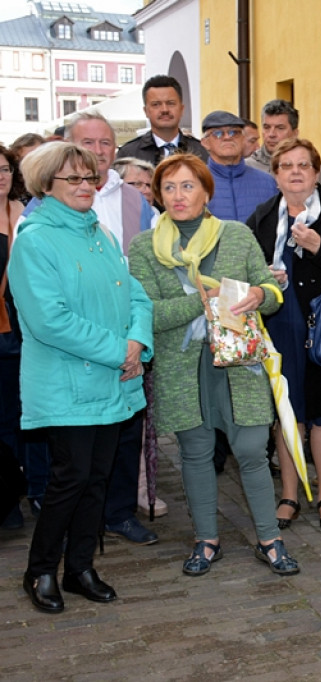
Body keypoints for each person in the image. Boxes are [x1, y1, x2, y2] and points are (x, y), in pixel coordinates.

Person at [128, 154, 300, 577]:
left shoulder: (236, 236)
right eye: (169, 187)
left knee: (250, 451)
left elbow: (270, 293)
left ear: (206, 192)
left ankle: (269, 540)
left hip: (240, 365)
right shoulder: (144, 247)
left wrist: (262, 296)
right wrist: (201, 302)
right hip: (183, 369)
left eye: (188, 186)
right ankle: (206, 540)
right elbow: (147, 314)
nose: (178, 196)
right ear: (157, 195)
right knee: (196, 454)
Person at [11, 142, 153, 613]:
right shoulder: (34, 239)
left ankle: (80, 568)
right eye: (73, 179)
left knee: (97, 478)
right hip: (68, 384)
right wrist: (120, 351)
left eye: (90, 177)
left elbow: (137, 297)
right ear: (44, 185)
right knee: (68, 480)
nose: (86, 186)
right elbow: (49, 320)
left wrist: (136, 343)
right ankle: (40, 571)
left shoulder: (102, 235)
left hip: (113, 380)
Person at [247, 139, 321, 531]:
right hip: (280, 322)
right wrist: (266, 275)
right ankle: (289, 495)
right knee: (287, 412)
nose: (295, 171)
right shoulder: (262, 217)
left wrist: (319, 247)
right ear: (275, 175)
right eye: (286, 165)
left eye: (304, 165)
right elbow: (247, 273)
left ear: (316, 173)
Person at [62, 112, 159, 545]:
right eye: (89, 142)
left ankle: (119, 512)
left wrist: (137, 341)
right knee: (78, 448)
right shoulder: (44, 210)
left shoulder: (136, 201)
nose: (99, 151)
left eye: (106, 143)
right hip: (76, 344)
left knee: (125, 433)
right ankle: (77, 519)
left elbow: (147, 277)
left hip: (129, 343)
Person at [0, 145, 30, 529]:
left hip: (19, 332)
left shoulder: (26, 214)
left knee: (14, 418)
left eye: (5, 168)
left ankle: (12, 498)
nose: (1, 176)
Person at [201, 110, 278, 223]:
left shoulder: (267, 182)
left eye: (234, 133)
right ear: (205, 143)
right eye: (218, 133)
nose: (227, 137)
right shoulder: (196, 182)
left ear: (243, 139)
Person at [116, 74, 208, 166]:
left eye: (171, 103)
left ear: (182, 109)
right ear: (146, 111)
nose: (164, 110)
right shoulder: (128, 155)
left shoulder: (202, 152)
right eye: (156, 104)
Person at [247, 100, 321, 185]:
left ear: (295, 133)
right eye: (267, 127)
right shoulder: (247, 168)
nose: (271, 134)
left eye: (280, 128)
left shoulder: (315, 169)